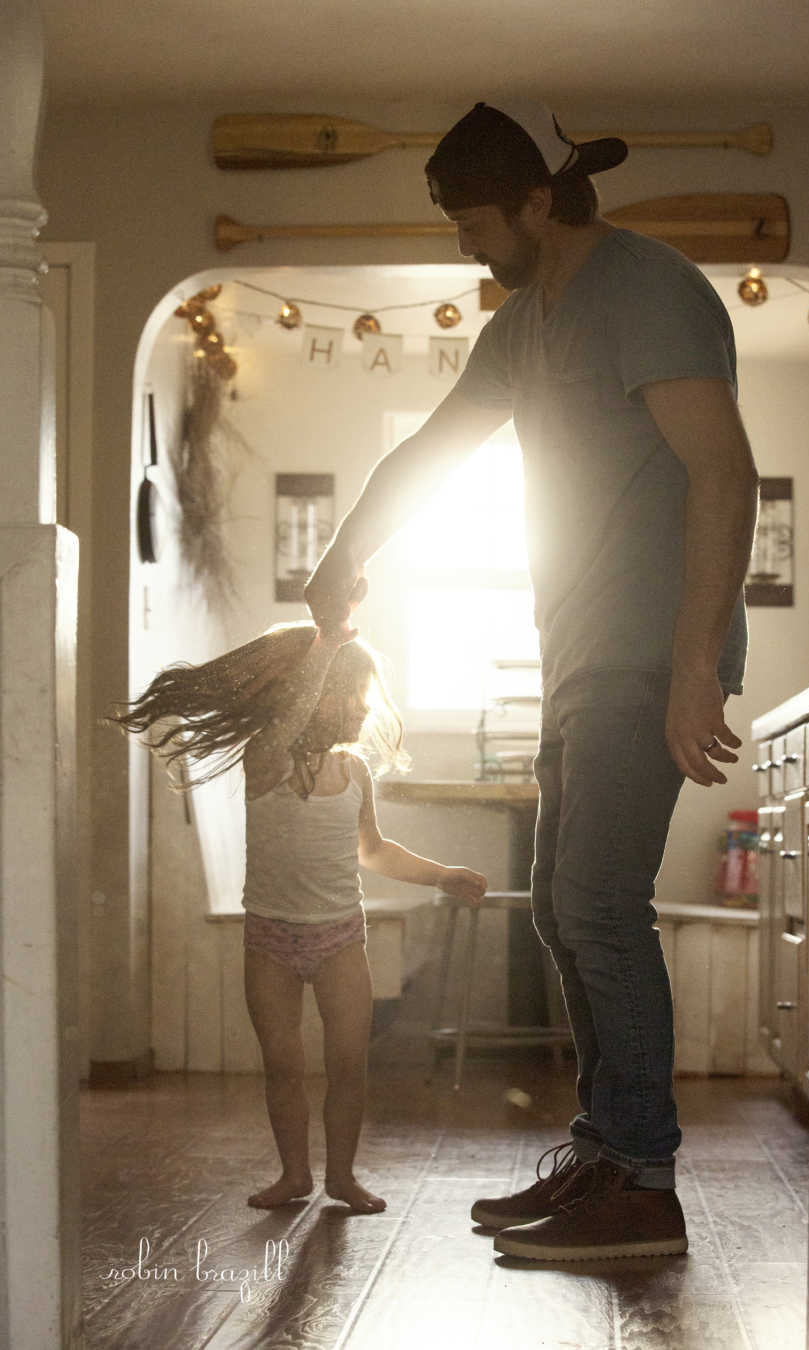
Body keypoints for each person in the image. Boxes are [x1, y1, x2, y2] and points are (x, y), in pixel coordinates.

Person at [304, 98, 759, 1261]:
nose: (463, 246)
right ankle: (605, 1154)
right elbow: (433, 449)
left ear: (538, 202)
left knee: (601, 907)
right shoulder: (521, 327)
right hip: (582, 658)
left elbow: (725, 474)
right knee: (566, 912)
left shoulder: (648, 289)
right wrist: (349, 546)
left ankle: (644, 1186)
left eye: (471, 223)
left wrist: (694, 667)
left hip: (652, 653)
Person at [109, 620, 486, 1213]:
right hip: (270, 939)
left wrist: (442, 874)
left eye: (364, 696)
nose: (362, 710)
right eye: (350, 694)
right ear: (309, 694)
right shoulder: (266, 758)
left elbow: (375, 850)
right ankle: (294, 1175)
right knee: (283, 1066)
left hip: (340, 938)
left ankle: (341, 1176)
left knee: (347, 1064)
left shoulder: (355, 772)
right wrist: (327, 645)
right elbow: (289, 715)